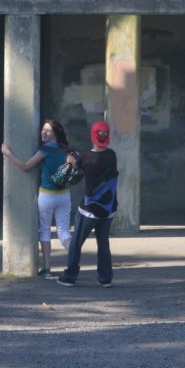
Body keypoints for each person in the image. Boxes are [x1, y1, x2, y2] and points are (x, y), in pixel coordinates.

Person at [1, 118, 72, 278]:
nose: (44, 132)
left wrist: (8, 153)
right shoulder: (65, 149)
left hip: (47, 196)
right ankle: (73, 263)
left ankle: (47, 269)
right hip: (64, 196)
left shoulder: (45, 150)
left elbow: (26, 167)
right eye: (43, 129)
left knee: (45, 231)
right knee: (64, 232)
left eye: (48, 131)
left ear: (55, 134)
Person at [57, 119, 119, 288]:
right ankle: (105, 278)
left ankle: (70, 276)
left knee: (76, 242)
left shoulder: (86, 158)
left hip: (88, 211)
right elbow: (91, 160)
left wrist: (71, 159)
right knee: (103, 243)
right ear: (107, 138)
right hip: (108, 210)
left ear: (92, 137)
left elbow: (76, 165)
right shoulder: (111, 155)